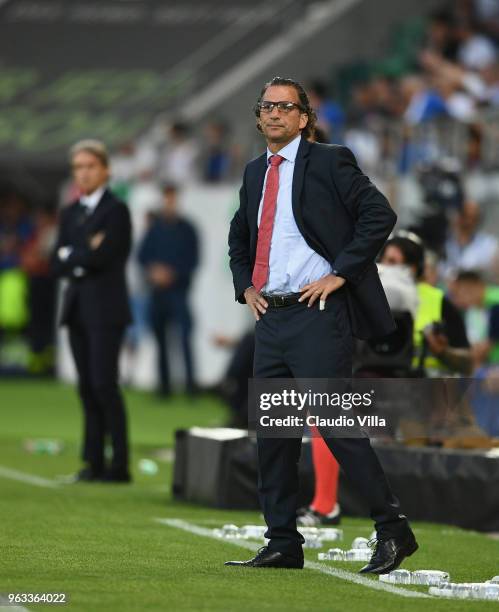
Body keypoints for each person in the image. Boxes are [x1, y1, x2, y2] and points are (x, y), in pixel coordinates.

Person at [226, 76, 417, 572]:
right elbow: (239, 237)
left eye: (284, 108)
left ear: (303, 118)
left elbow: (380, 214)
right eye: (266, 106)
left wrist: (340, 274)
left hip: (317, 314)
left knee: (336, 425)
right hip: (271, 315)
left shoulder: (330, 160)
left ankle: (393, 529)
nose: (273, 114)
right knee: (274, 435)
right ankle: (283, 541)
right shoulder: (254, 173)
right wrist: (246, 286)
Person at [51, 139, 132, 483]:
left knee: (104, 384)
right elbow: (56, 261)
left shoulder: (116, 210)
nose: (83, 173)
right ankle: (93, 462)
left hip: (106, 309)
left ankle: (119, 465)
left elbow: (106, 257)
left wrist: (75, 256)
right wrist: (80, 255)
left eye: (89, 166)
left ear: (105, 169)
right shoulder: (70, 212)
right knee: (86, 386)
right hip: (77, 308)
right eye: (78, 168)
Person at [138, 184, 199, 396]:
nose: (169, 202)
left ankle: (191, 386)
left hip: (179, 292)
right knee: (160, 339)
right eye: (167, 198)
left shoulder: (187, 229)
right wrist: (154, 272)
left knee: (184, 339)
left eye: (172, 198)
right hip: (158, 294)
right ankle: (164, 387)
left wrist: (173, 274)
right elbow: (142, 256)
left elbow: (193, 260)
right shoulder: (154, 229)